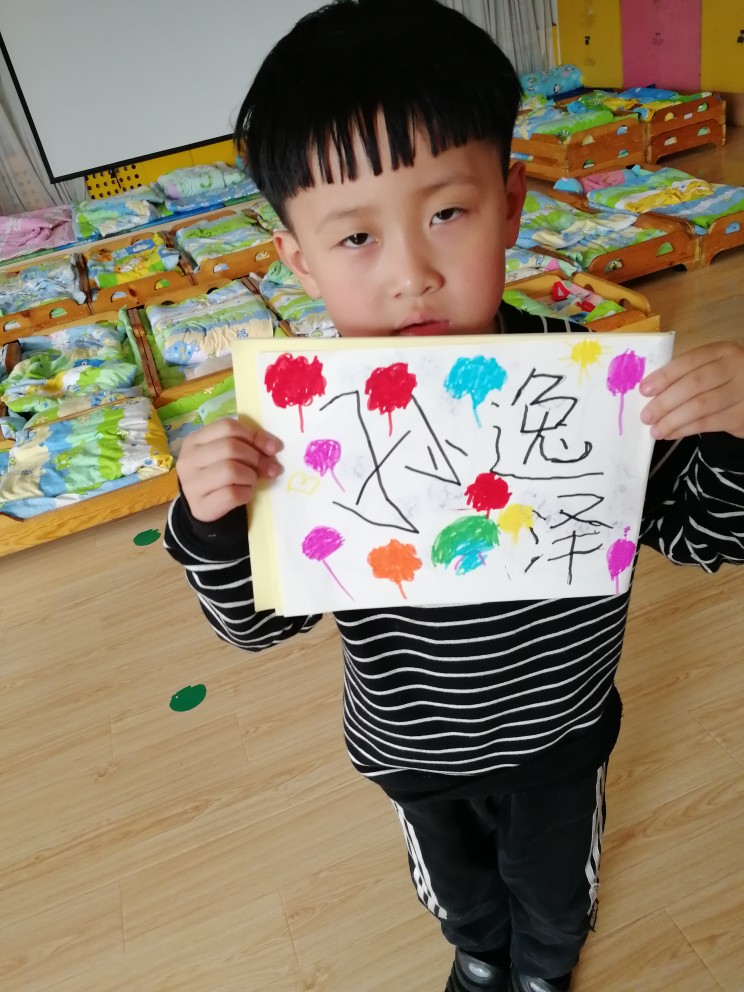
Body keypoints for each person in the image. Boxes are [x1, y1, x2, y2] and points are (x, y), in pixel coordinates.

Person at [163, 2, 744, 989]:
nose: (412, 276)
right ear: (298, 257)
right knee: (460, 892)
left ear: (510, 204)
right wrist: (211, 521)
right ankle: (480, 956)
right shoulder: (299, 417)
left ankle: (542, 969)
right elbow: (254, 627)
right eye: (356, 236)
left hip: (560, 734)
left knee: (554, 894)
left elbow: (708, 533)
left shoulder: (585, 382)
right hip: (409, 744)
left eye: (447, 213)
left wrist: (731, 432)